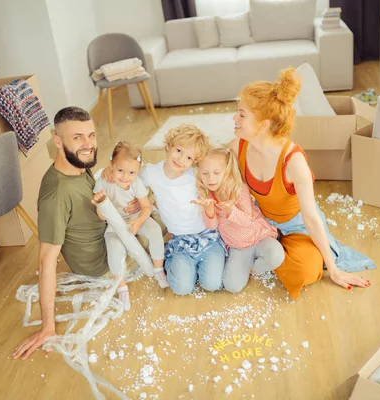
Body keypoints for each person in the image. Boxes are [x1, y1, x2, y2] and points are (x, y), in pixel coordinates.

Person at [229, 68, 374, 299]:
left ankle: (266, 253)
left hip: (297, 228)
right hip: (262, 224)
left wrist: (334, 270)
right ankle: (266, 251)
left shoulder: (293, 161)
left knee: (305, 271)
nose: (234, 119)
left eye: (242, 114)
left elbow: (311, 219)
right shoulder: (238, 146)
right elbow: (219, 175)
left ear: (264, 124)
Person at [12, 106, 141, 360]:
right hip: (101, 261)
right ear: (58, 141)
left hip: (106, 232)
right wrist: (47, 325)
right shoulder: (56, 194)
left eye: (91, 135)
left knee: (142, 198)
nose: (88, 144)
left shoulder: (77, 163)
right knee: (159, 215)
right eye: (78, 137)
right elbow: (46, 259)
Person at [103, 124, 226, 296]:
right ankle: (174, 260)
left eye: (189, 158)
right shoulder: (152, 173)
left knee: (212, 284)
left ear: (195, 161)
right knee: (182, 288)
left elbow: (219, 169)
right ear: (168, 146)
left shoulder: (195, 173)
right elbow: (129, 178)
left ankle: (205, 261)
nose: (182, 160)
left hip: (207, 236)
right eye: (179, 151)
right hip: (180, 241)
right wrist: (109, 172)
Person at [193, 147, 284, 293]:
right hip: (238, 248)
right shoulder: (207, 196)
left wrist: (231, 210)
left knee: (276, 255)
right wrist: (209, 210)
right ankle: (247, 264)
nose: (211, 178)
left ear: (227, 171)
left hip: (259, 238)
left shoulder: (239, 189)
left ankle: (254, 268)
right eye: (205, 173)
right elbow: (212, 226)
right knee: (232, 287)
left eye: (217, 173)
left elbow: (247, 221)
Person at [92, 141, 169, 311]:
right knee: (113, 247)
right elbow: (101, 214)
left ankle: (158, 269)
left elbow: (146, 207)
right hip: (114, 223)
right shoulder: (103, 183)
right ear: (111, 165)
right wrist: (102, 207)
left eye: (132, 172)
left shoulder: (136, 183)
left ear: (138, 171)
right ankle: (121, 287)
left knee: (155, 230)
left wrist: (139, 221)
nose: (125, 177)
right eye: (120, 170)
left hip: (135, 216)